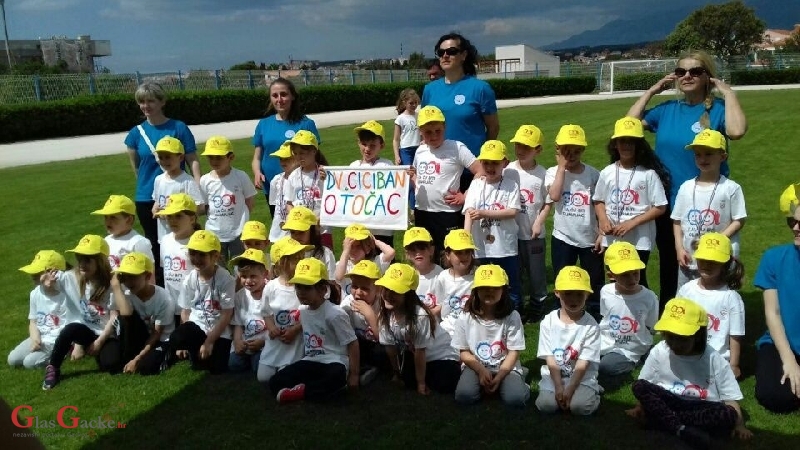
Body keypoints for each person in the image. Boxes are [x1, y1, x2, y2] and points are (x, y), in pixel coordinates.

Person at [626, 50, 747, 306]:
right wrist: (651, 91)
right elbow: (629, 125)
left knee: (711, 254)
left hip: (708, 198)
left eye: (695, 71)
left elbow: (736, 131)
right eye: (681, 72)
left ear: (708, 77)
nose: (687, 76)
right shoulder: (668, 109)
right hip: (668, 199)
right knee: (672, 258)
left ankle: (716, 307)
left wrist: (729, 93)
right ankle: (674, 307)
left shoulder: (718, 110)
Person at [628, 298, 752, 448]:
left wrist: (739, 425)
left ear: (698, 336)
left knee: (728, 414)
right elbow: (645, 383)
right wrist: (639, 407)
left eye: (682, 339)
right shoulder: (659, 351)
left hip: (701, 407)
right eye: (670, 337)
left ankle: (665, 422)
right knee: (639, 386)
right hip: (670, 401)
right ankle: (682, 428)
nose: (675, 344)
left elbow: (730, 398)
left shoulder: (713, 358)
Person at [124, 82, 200, 286]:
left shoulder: (178, 127)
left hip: (179, 194)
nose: (146, 105)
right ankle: (162, 289)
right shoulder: (135, 133)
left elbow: (192, 158)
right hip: (148, 196)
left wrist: (197, 184)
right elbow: (137, 167)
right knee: (157, 244)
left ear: (162, 101)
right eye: (141, 101)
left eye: (150, 101)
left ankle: (189, 281)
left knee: (183, 240)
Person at [268, 258, 359, 403]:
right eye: (298, 287)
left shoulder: (335, 314)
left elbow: (352, 343)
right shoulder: (303, 309)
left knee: (334, 378)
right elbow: (309, 323)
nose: (301, 292)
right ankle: (308, 390)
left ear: (323, 290)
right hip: (311, 360)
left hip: (334, 361)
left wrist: (354, 375)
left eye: (307, 287)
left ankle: (302, 392)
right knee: (275, 381)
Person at [593, 117, 669, 288]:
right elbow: (598, 200)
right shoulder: (608, 172)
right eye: (622, 141)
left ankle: (644, 311)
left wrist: (631, 223)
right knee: (615, 279)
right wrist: (603, 221)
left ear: (639, 145)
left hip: (639, 239)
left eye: (631, 142)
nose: (626, 146)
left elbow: (660, 207)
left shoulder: (648, 174)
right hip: (612, 238)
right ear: (615, 144)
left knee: (636, 281)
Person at [422, 32, 498, 192]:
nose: (445, 56)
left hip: (470, 171)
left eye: (451, 52)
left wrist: (482, 160)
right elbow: (423, 127)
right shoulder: (430, 90)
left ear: (463, 55)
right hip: (438, 169)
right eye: (441, 52)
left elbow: (493, 128)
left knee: (470, 215)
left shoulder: (480, 88)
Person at [672, 129, 746, 291]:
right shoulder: (686, 187)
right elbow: (677, 221)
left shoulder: (730, 188)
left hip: (718, 257)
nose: (702, 159)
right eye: (698, 155)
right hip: (690, 257)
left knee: (717, 297)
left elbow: (739, 220)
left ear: (722, 157)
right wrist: (679, 248)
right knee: (688, 297)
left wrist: (718, 240)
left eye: (708, 154)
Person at [42, 235, 116, 390]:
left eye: (87, 260)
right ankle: (53, 367)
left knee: (111, 365)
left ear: (100, 261)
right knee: (70, 329)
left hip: (108, 334)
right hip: (87, 332)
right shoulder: (71, 278)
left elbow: (114, 318)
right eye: (79, 259)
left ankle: (99, 351)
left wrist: (99, 342)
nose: (81, 264)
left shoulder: (112, 283)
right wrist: (46, 281)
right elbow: (49, 282)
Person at [377, 263, 460, 395]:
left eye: (395, 291)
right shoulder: (384, 314)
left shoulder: (420, 316)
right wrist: (397, 373)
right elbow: (390, 347)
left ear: (408, 295)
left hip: (440, 355)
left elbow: (420, 351)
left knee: (446, 383)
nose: (388, 295)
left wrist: (420, 383)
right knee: (407, 379)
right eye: (386, 289)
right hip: (413, 353)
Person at [452, 265, 529, 408]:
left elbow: (514, 351)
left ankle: (519, 380)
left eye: (495, 287)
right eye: (484, 287)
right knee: (464, 396)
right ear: (475, 290)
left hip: (506, 366)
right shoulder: (465, 317)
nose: (489, 291)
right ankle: (484, 384)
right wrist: (480, 370)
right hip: (476, 365)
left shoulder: (512, 316)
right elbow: (463, 352)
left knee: (515, 400)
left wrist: (500, 376)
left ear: (504, 290)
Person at [545, 124, 603, 313]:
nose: (572, 155)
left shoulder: (593, 174)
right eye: (566, 150)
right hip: (563, 237)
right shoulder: (553, 172)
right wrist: (562, 169)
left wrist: (602, 233)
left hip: (589, 237)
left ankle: (594, 312)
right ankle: (561, 311)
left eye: (577, 151)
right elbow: (554, 196)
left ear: (583, 150)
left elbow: (600, 205)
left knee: (594, 279)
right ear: (558, 149)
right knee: (562, 277)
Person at [754, 183, 800, 413]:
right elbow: (773, 313)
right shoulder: (773, 258)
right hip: (780, 342)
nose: (795, 228)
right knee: (773, 396)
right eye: (792, 222)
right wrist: (788, 359)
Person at [410, 105, 481, 257]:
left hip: (447, 213)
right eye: (428, 132)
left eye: (438, 131)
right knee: (425, 254)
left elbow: (480, 171)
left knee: (448, 255)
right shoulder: (420, 150)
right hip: (422, 211)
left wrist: (465, 196)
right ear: (420, 132)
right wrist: (412, 178)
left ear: (445, 127)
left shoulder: (456, 148)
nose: (434, 136)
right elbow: (418, 176)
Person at [463, 140, 522, 311]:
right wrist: (467, 240)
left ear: (505, 163)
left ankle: (515, 313)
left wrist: (484, 213)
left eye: (495, 163)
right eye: (486, 163)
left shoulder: (511, 185)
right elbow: (469, 212)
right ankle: (485, 312)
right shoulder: (476, 184)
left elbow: (512, 211)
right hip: (481, 246)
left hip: (505, 246)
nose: (490, 167)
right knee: (482, 282)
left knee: (509, 282)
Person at [677, 232, 744, 377]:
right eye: (703, 259)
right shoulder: (686, 290)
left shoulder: (731, 297)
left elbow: (736, 335)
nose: (707, 264)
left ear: (725, 264)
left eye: (713, 261)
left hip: (718, 359)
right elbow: (676, 322)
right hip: (687, 354)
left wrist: (734, 365)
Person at [536, 266, 601, 415]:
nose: (573, 299)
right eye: (568, 293)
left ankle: (594, 392)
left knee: (579, 407)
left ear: (587, 295)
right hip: (554, 376)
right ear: (557, 293)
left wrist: (570, 388)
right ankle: (559, 392)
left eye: (579, 294)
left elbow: (583, 363)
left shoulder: (591, 326)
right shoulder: (548, 321)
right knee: (546, 406)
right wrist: (559, 386)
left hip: (581, 377)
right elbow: (549, 357)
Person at [252, 77, 321, 217]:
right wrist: (257, 172)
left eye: (284, 94)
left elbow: (316, 154)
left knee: (303, 226)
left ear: (293, 96)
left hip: (300, 186)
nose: (279, 99)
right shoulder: (263, 124)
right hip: (273, 185)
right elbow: (257, 156)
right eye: (275, 95)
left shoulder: (306, 123)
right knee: (280, 225)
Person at [169, 230, 235, 374]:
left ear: (215, 256)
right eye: (192, 253)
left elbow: (226, 315)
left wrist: (209, 341)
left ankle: (204, 351)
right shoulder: (190, 279)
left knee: (218, 368)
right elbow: (185, 310)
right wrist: (184, 341)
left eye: (202, 254)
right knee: (177, 338)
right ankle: (193, 350)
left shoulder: (225, 279)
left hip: (218, 330)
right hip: (198, 328)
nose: (196, 258)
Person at [505, 125, 551, 321]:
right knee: (515, 271)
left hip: (533, 233)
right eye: (518, 145)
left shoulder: (543, 174)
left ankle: (538, 302)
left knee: (536, 272)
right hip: (511, 232)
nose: (521, 150)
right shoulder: (508, 171)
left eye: (527, 147)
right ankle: (516, 305)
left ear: (538, 150)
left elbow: (548, 203)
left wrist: (539, 222)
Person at [598, 242, 658, 386]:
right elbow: (605, 315)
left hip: (631, 346)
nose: (632, 279)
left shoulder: (649, 297)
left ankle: (634, 360)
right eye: (625, 275)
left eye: (635, 273)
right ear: (611, 275)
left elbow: (651, 325)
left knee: (605, 367)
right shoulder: (606, 291)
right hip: (606, 341)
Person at [108, 252, 174, 375]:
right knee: (111, 364)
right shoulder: (124, 295)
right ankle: (128, 356)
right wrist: (116, 286)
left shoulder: (164, 298)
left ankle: (165, 355)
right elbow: (124, 317)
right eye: (125, 276)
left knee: (147, 368)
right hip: (140, 337)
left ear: (148, 276)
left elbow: (157, 333)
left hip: (160, 339)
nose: (128, 281)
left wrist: (138, 358)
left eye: (133, 276)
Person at [257, 236, 311, 384]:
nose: (301, 261)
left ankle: (290, 369)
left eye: (301, 256)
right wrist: (272, 327)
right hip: (276, 341)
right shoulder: (271, 287)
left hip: (296, 340)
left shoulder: (303, 286)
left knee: (285, 377)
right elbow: (266, 312)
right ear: (281, 263)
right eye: (296, 258)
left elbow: (311, 313)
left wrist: (296, 329)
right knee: (263, 377)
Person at [9, 251, 76, 369]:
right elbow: (33, 321)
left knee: (29, 363)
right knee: (13, 359)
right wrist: (35, 339)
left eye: (38, 272)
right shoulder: (35, 293)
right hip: (41, 336)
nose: (32, 275)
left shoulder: (68, 293)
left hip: (58, 340)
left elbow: (76, 321)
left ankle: (66, 351)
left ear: (54, 273)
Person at [199, 135, 257, 265]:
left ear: (230, 157)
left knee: (241, 266)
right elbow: (206, 205)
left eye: (219, 157)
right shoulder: (205, 180)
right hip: (215, 233)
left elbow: (250, 201)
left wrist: (243, 220)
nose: (214, 161)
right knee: (218, 268)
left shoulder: (240, 176)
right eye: (211, 157)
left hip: (238, 231)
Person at [228, 248, 279, 374]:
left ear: (265, 274)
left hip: (266, 340)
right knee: (233, 365)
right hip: (247, 340)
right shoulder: (240, 296)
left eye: (253, 276)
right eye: (244, 276)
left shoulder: (272, 292)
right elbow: (238, 323)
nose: (248, 281)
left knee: (257, 367)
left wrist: (263, 342)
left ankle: (259, 359)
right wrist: (237, 341)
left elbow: (277, 324)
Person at [154, 193, 201, 324]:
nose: (172, 220)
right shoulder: (165, 240)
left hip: (194, 307)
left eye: (178, 216)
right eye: (169, 216)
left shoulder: (199, 242)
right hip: (171, 305)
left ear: (192, 218)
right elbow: (166, 272)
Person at [339, 260, 386, 386]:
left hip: (375, 345)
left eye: (365, 288)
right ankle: (360, 369)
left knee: (383, 352)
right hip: (354, 345)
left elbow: (383, 339)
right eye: (354, 286)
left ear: (378, 289)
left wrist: (370, 315)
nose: (358, 292)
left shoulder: (382, 304)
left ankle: (369, 368)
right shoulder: (347, 304)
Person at [151, 136, 206, 244]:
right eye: (161, 157)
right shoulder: (159, 180)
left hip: (184, 236)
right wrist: (155, 209)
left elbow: (198, 207)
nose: (164, 161)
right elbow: (157, 201)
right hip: (164, 235)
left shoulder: (187, 181)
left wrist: (178, 215)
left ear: (180, 158)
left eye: (168, 157)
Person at [283, 130, 333, 249]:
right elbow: (289, 203)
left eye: (302, 153)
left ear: (314, 151)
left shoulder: (325, 173)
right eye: (295, 153)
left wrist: (321, 218)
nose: (299, 157)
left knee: (324, 259)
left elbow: (332, 200)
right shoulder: (293, 176)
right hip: (301, 230)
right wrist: (296, 219)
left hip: (321, 228)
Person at [350, 120, 396, 246]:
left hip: (382, 226)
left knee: (384, 259)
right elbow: (344, 190)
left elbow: (397, 190)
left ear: (381, 145)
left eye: (372, 145)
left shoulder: (387, 166)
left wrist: (406, 175)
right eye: (364, 144)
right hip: (360, 226)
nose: (367, 149)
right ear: (358, 143)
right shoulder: (353, 166)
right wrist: (327, 178)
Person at [90, 194, 154, 271]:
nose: (108, 221)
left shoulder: (138, 242)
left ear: (129, 219)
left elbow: (149, 274)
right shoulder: (106, 240)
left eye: (113, 217)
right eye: (106, 217)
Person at [433, 229, 478, 335]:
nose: (464, 256)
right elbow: (440, 303)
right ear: (448, 255)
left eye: (468, 251)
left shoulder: (478, 275)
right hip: (448, 328)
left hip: (473, 326)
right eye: (458, 253)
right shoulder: (443, 277)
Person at [335, 224, 394, 298]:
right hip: (348, 308)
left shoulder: (374, 264)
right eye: (351, 246)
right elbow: (338, 277)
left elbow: (390, 252)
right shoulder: (344, 265)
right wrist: (346, 250)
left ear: (368, 248)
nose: (353, 250)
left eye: (358, 246)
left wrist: (375, 241)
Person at [282, 206, 337, 280]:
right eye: (293, 232)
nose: (296, 236)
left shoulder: (325, 254)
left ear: (312, 231)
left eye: (301, 232)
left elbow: (332, 280)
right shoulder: (286, 254)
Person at [393, 88, 421, 210]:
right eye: (411, 103)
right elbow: (396, 140)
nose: (414, 105)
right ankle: (412, 208)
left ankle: (420, 203)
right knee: (410, 180)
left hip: (418, 149)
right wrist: (397, 155)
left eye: (416, 103)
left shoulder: (418, 116)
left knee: (420, 178)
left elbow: (421, 134)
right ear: (404, 102)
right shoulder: (401, 118)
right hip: (406, 151)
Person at [402, 227, 443, 310]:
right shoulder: (406, 275)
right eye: (412, 249)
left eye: (422, 248)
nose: (418, 253)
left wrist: (430, 314)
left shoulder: (440, 274)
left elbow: (444, 302)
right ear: (407, 254)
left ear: (431, 250)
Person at [266, 143, 296, 245]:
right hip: (279, 227)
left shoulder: (300, 180)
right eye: (281, 159)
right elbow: (274, 205)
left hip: (296, 226)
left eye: (287, 159)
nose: (283, 162)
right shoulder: (276, 180)